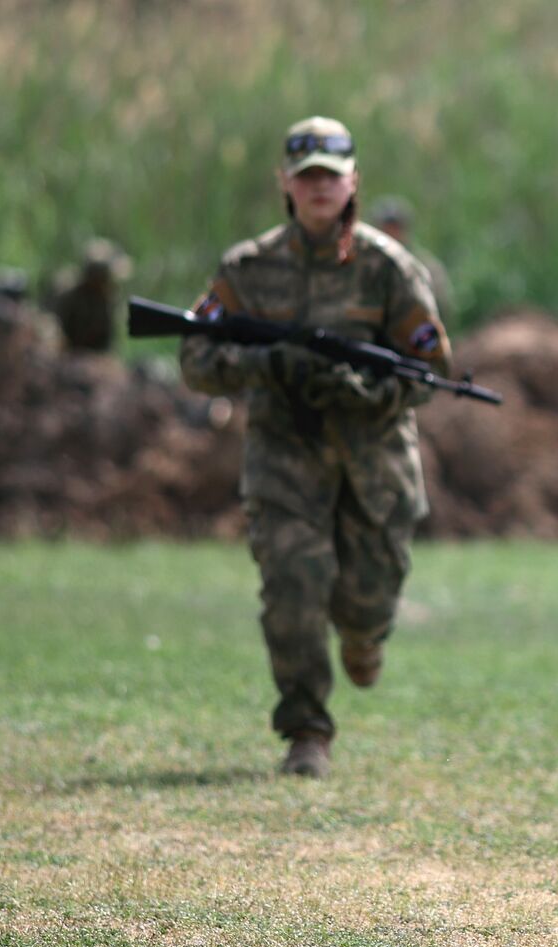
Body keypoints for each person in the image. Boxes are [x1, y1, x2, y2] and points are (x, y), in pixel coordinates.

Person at [179, 116, 451, 779]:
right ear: (286, 185)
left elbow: (432, 370)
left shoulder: (391, 270)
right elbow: (195, 357)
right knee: (292, 586)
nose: (320, 188)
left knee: (366, 600)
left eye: (331, 176)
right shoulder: (248, 269)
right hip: (285, 455)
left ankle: (364, 638)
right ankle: (306, 730)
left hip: (375, 461)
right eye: (307, 178)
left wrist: (363, 387)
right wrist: (265, 364)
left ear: (353, 181)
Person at [366, 195, 454, 325]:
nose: (390, 233)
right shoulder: (364, 264)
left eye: (395, 227)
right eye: (385, 227)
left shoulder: (424, 265)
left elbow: (442, 307)